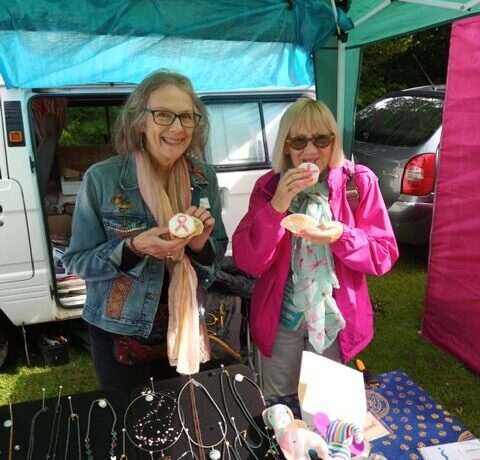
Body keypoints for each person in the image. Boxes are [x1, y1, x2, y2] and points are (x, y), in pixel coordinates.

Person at [63, 70, 228, 392]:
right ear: (140, 121)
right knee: (130, 418)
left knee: (184, 413)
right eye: (163, 115)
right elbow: (77, 262)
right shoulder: (103, 179)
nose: (177, 128)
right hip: (120, 331)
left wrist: (199, 246)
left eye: (186, 116)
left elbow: (217, 250)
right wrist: (134, 248)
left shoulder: (203, 177)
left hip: (184, 323)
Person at [232, 97, 399, 400]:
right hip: (282, 320)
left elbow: (384, 253)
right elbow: (248, 261)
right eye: (299, 141)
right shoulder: (269, 187)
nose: (310, 150)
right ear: (286, 146)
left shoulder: (358, 183)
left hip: (334, 319)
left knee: (327, 407)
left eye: (321, 139)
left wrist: (343, 236)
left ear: (334, 142)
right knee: (279, 406)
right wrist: (277, 207)